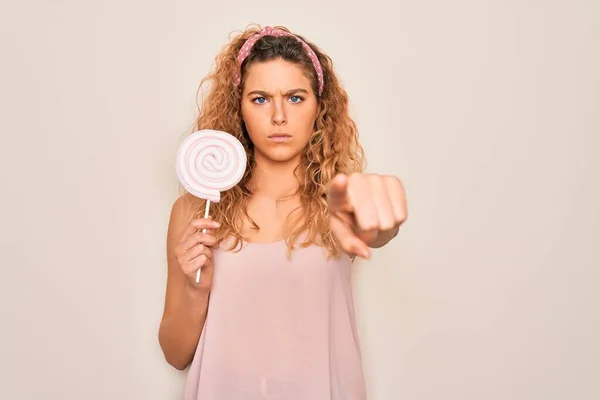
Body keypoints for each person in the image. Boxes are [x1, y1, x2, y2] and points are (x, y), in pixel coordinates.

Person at [158, 24, 407, 399]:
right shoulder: (195, 211)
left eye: (295, 98)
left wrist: (383, 219)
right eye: (260, 99)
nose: (278, 116)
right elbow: (176, 355)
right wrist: (197, 292)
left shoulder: (337, 203)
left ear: (319, 106)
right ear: (238, 108)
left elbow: (378, 230)